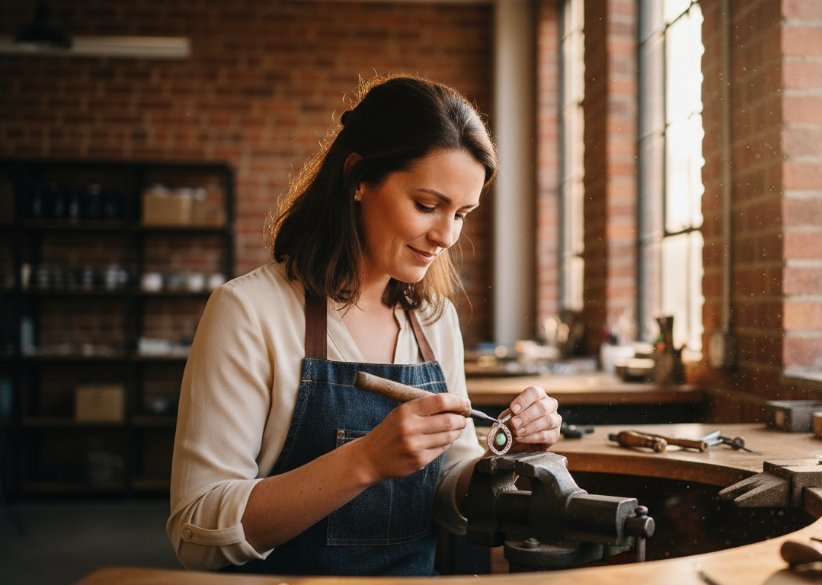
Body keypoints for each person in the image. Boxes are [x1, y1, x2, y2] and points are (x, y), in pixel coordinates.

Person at [166, 74, 562, 576]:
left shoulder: (433, 321)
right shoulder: (249, 312)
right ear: (359, 178)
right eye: (427, 205)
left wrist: (503, 463)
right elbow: (196, 531)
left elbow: (449, 486)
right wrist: (365, 461)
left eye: (462, 213)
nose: (446, 235)